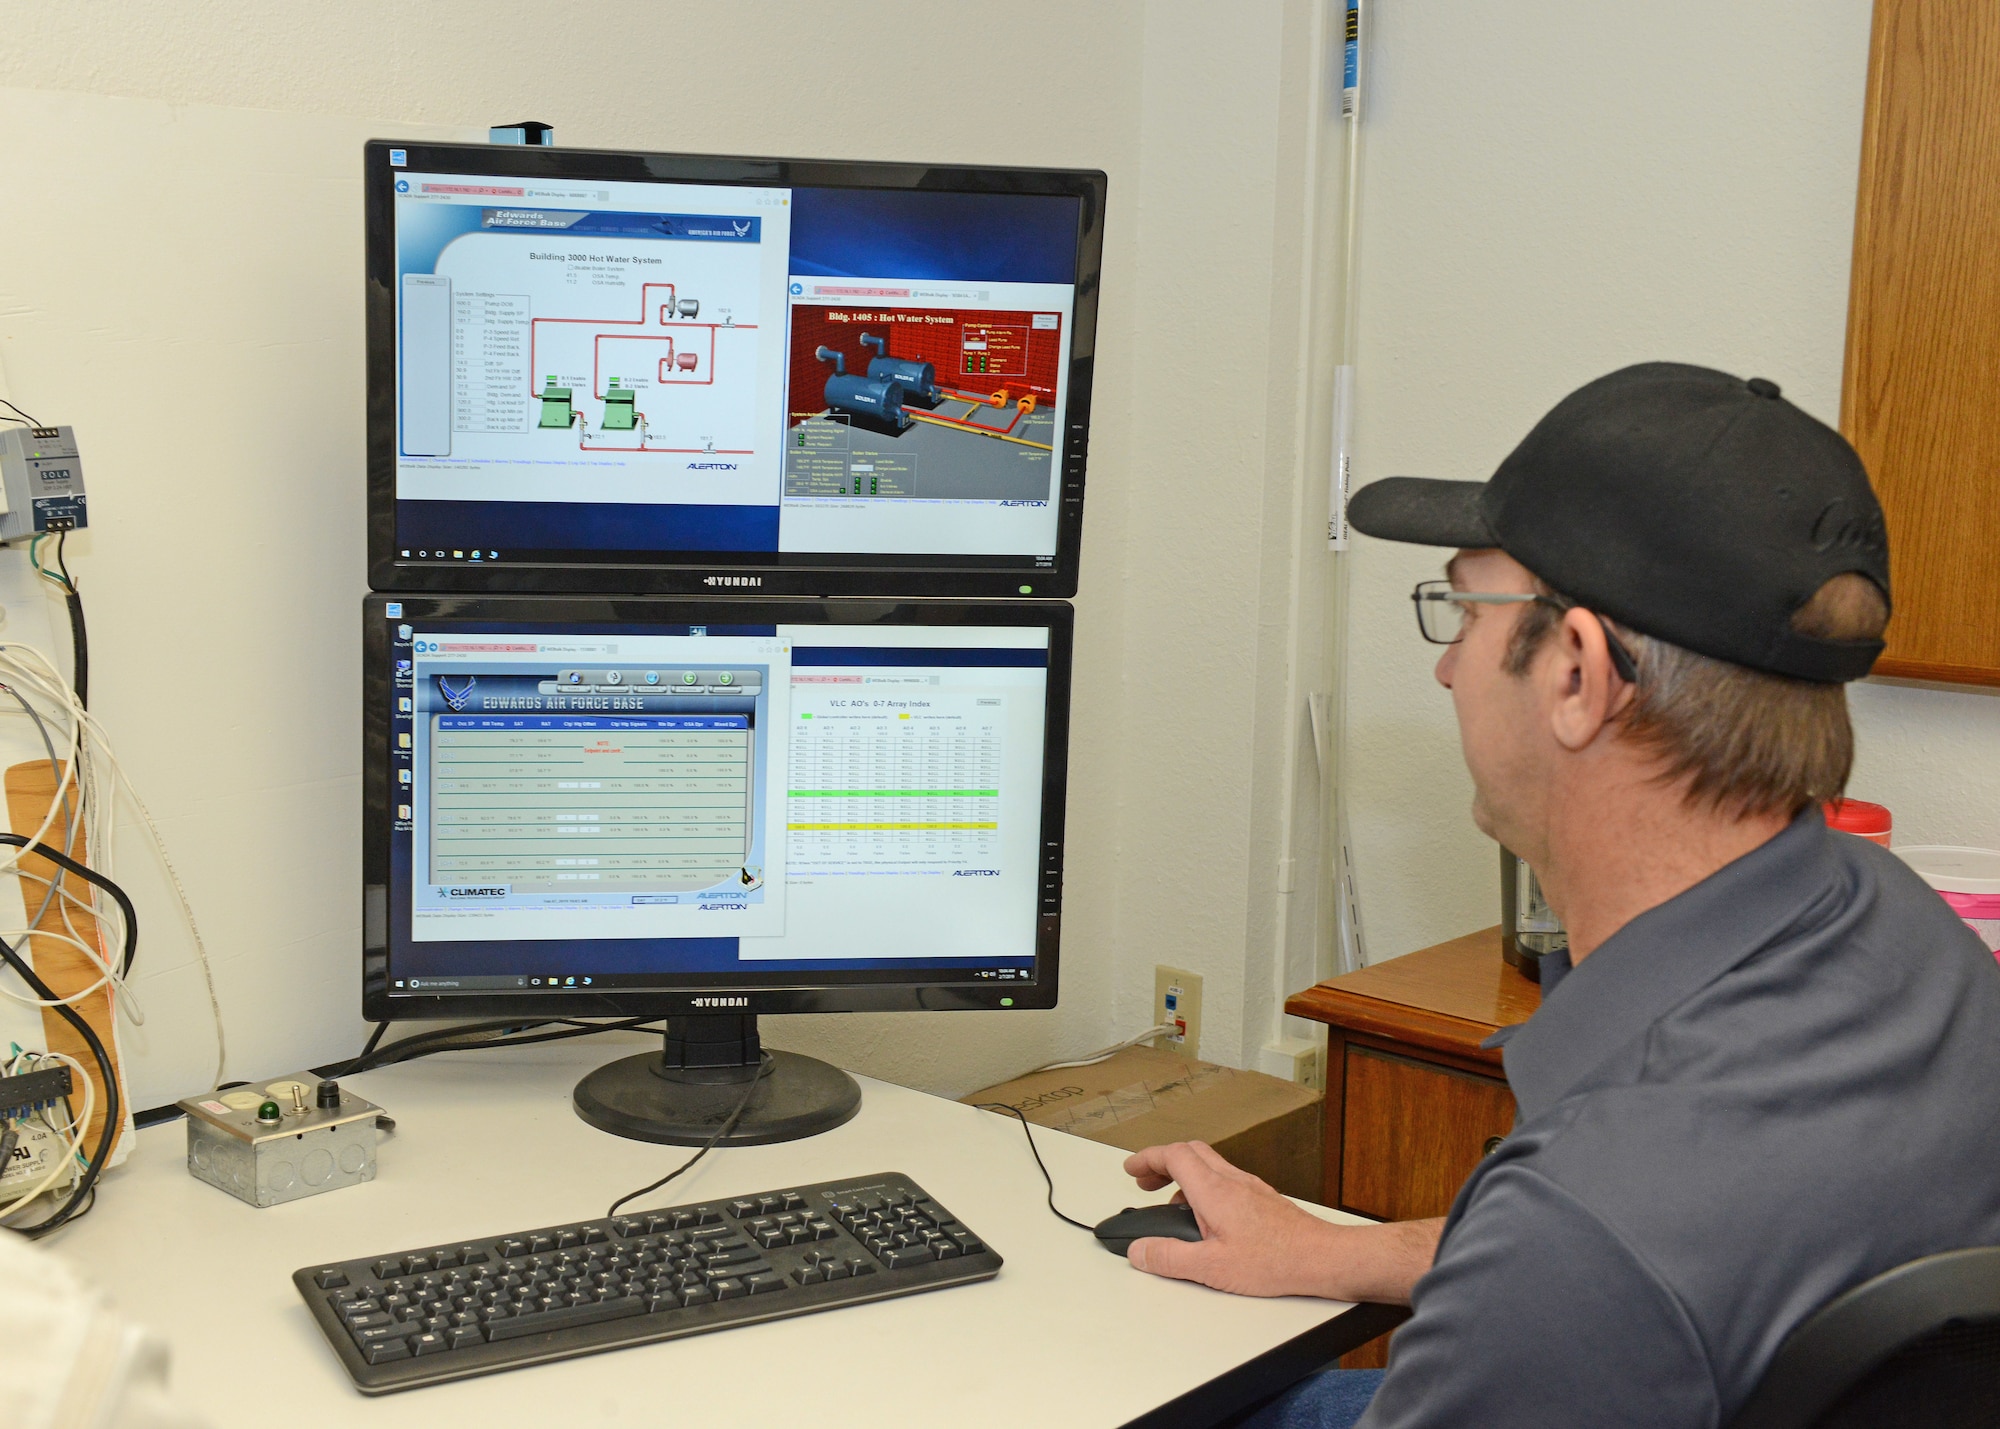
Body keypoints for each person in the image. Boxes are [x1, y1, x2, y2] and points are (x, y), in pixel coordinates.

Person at [1119, 364, 2000, 1428]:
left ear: (1575, 673)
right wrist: (1326, 1251)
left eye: (1463, 610)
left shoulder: (1583, 1221)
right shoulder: (1907, 934)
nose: (1446, 671)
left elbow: (1592, 1256)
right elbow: (1698, 1263)